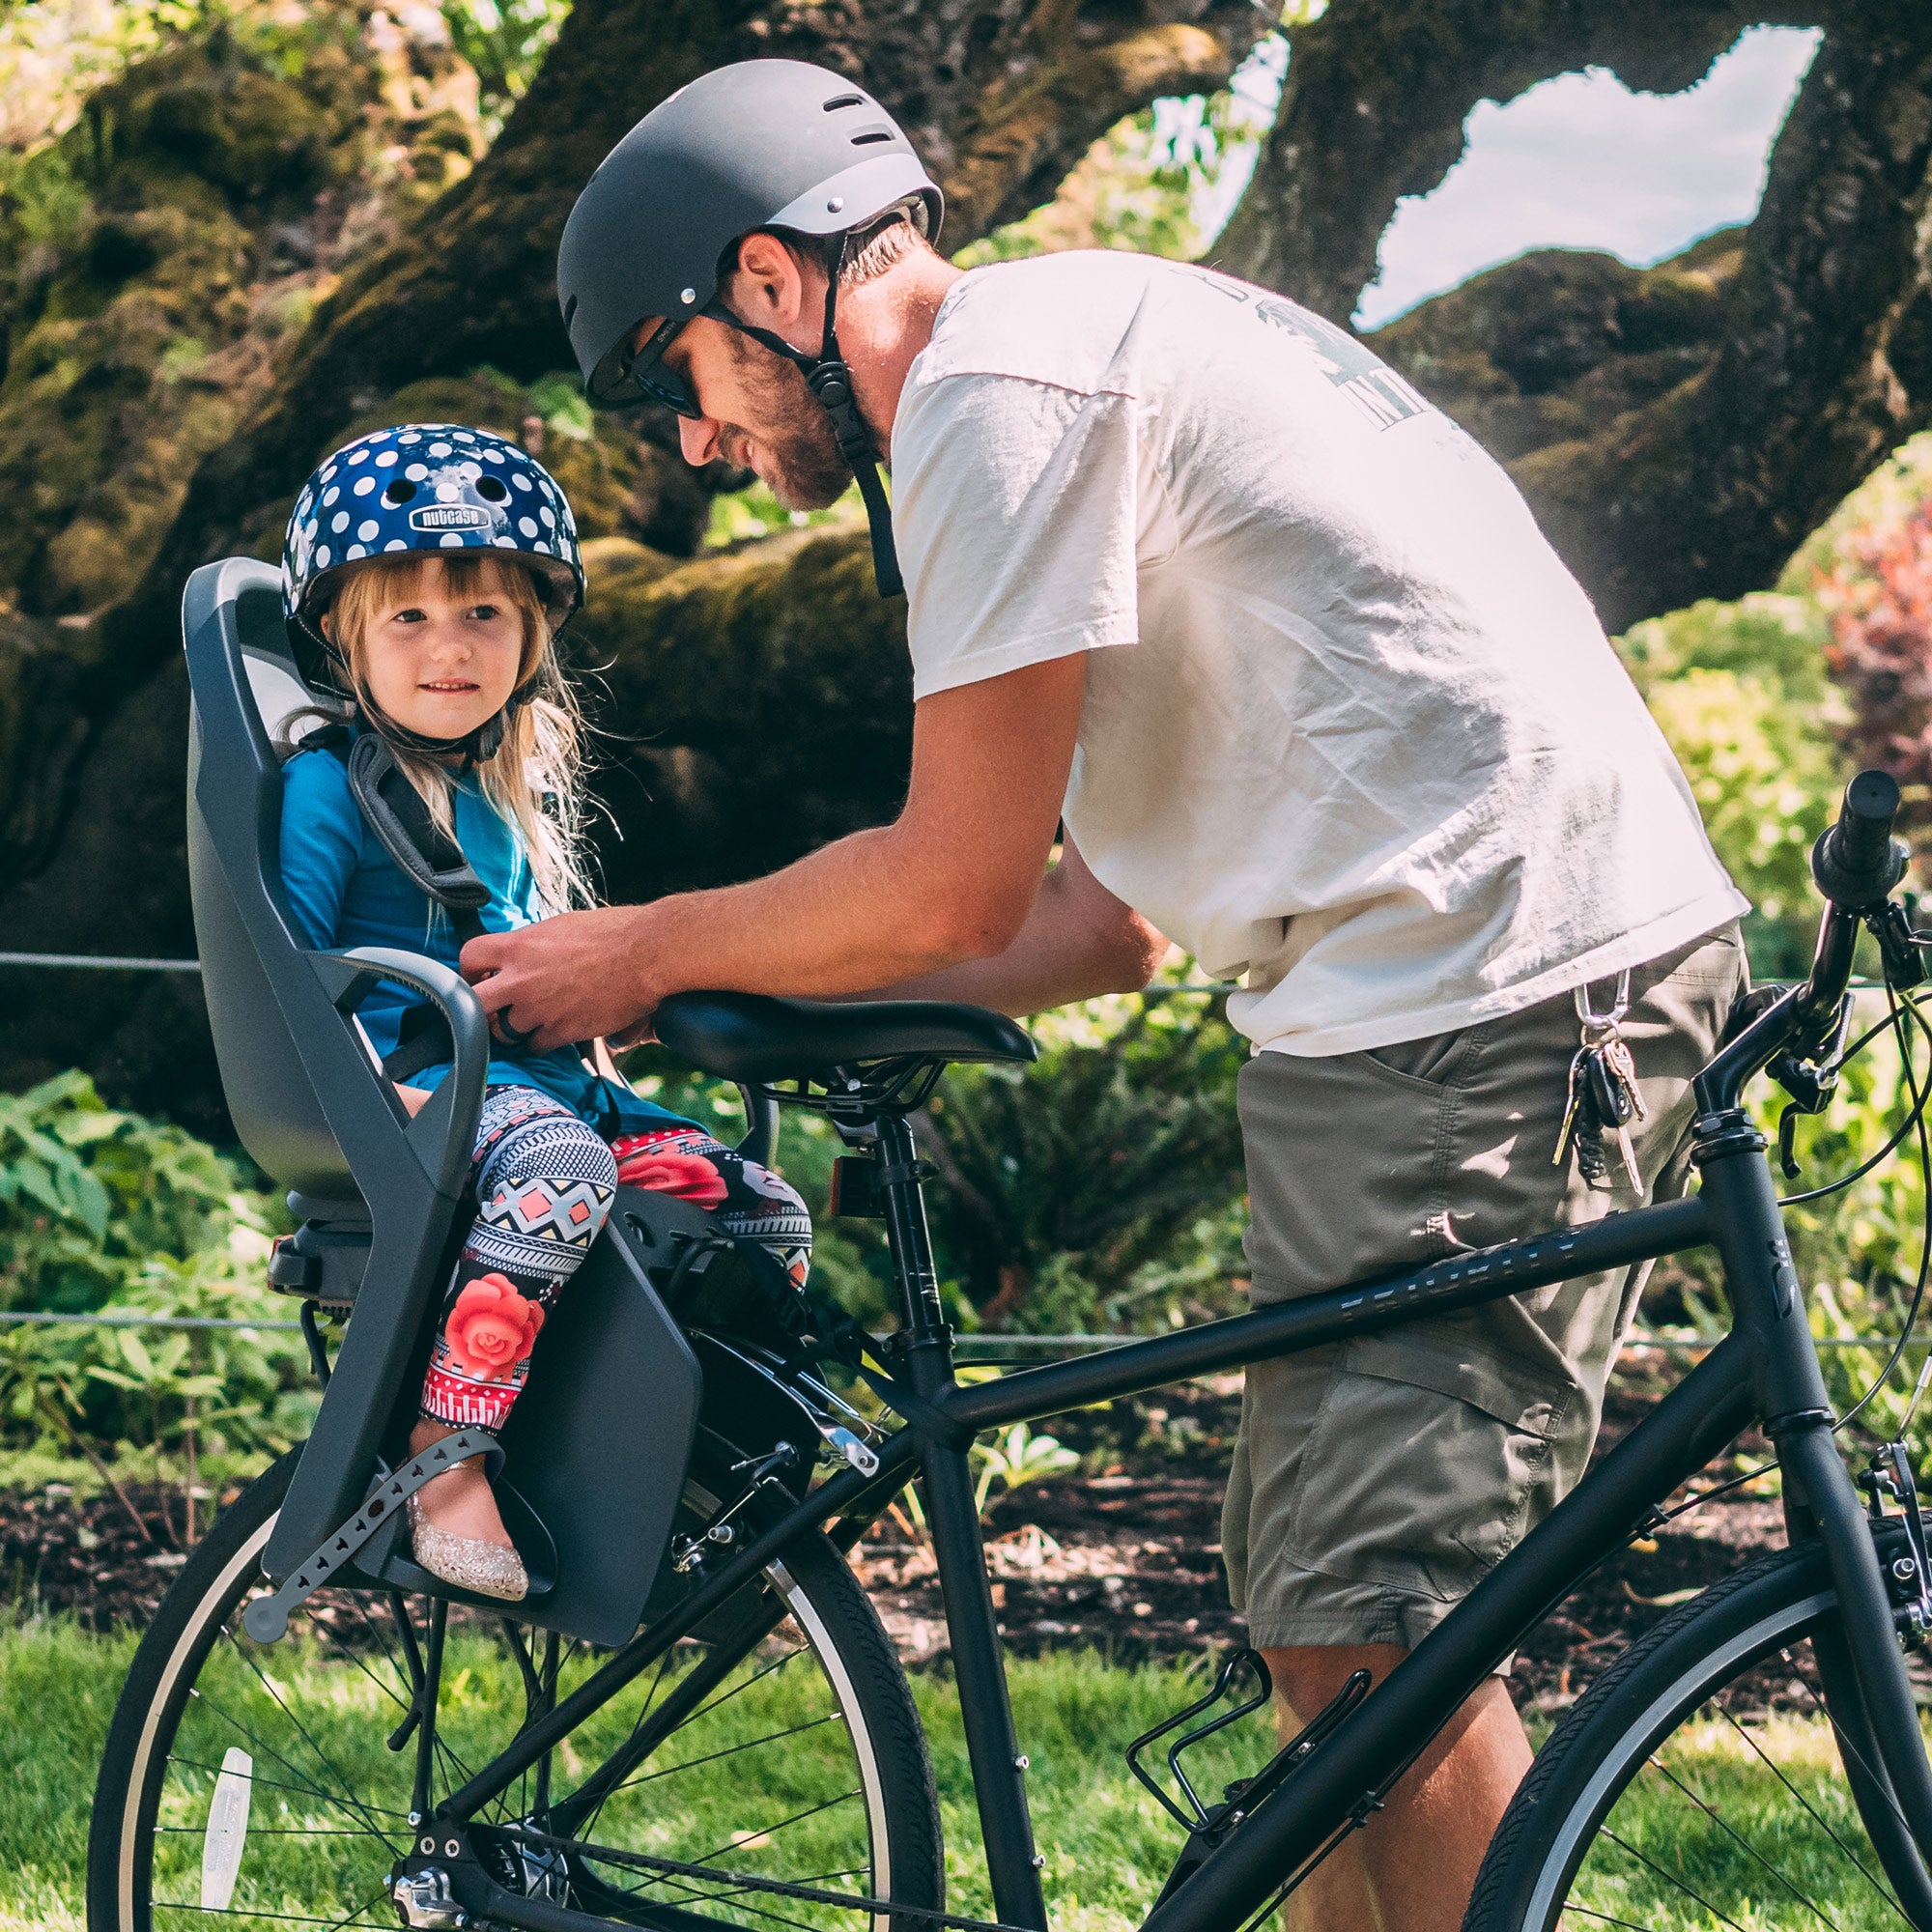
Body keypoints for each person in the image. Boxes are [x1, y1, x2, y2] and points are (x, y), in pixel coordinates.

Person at [467, 63, 1750, 1927]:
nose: (691, 443)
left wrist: (648, 943)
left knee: (1389, 1619)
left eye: (670, 378)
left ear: (767, 282)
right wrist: (735, 984)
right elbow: (1095, 921)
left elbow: (954, 884)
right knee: (1337, 1636)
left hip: (1500, 983)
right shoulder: (1051, 357)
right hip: (1418, 995)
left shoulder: (1001, 397)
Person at [276, 422, 812, 1603]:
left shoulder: (499, 792)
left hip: (537, 1083)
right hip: (418, 1087)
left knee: (759, 1208)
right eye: (409, 616)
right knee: (559, 1166)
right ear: (345, 634)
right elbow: (297, 973)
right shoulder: (329, 791)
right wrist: (384, 1088)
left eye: (484, 615)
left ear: (530, 637)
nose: (449, 647)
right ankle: (442, 1448)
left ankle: (682, 1461)